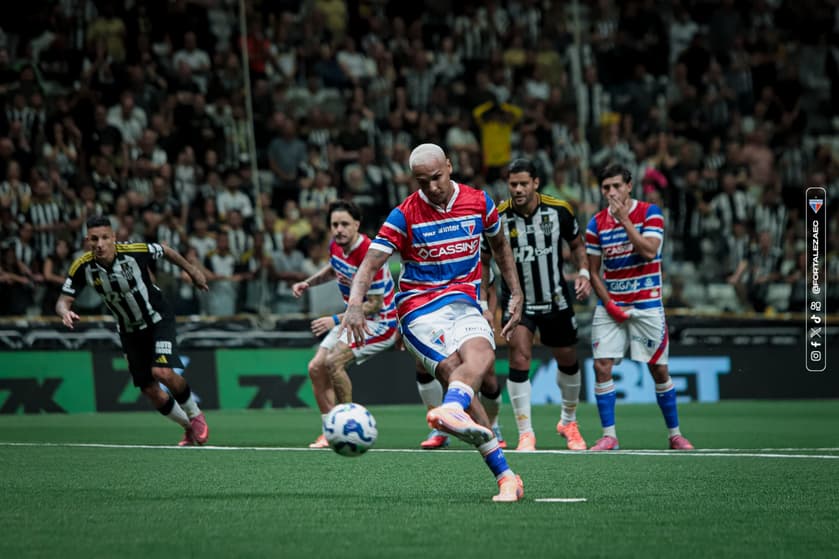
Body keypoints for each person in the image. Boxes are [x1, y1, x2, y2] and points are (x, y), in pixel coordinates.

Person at [342, 143, 525, 502]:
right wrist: (354, 303)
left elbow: (501, 246)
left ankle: (453, 408)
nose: (432, 187)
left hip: (466, 302)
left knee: (482, 357)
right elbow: (371, 262)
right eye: (423, 182)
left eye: (437, 177)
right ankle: (505, 477)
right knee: (454, 371)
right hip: (419, 309)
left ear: (450, 167)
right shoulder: (404, 215)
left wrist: (515, 292)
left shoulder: (479, 202)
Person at [56, 216, 211, 446]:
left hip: (157, 318)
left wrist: (193, 271)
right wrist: (64, 312)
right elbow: (62, 300)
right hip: (129, 331)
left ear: (114, 238)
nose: (100, 244)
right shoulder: (82, 267)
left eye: (105, 238)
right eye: (94, 239)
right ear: (87, 240)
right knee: (150, 390)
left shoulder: (135, 251)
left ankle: (195, 415)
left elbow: (166, 250)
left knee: (162, 372)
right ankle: (187, 428)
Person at [585, 163, 694, 451]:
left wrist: (624, 221)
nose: (611, 192)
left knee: (659, 369)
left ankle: (674, 434)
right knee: (601, 365)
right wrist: (608, 304)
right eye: (606, 187)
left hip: (647, 303)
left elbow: (649, 251)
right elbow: (594, 271)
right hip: (612, 305)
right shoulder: (596, 223)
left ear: (629, 186)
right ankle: (609, 435)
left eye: (617, 186)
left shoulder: (650, 213)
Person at [492, 158, 591, 451]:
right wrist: (487, 302)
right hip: (518, 304)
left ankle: (568, 422)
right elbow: (485, 259)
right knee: (519, 359)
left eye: (524, 183)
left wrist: (584, 272)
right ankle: (526, 433)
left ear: (536, 183)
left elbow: (577, 245)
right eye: (513, 184)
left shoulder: (558, 210)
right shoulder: (497, 216)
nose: (518, 189)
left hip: (556, 299)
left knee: (568, 359)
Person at [292, 200, 398, 448]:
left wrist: (335, 320)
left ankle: (348, 428)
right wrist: (309, 282)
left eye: (344, 224)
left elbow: (374, 303)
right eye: (334, 224)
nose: (338, 229)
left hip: (380, 323)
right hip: (353, 319)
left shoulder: (370, 253)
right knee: (316, 367)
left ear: (357, 225)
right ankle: (331, 431)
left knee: (333, 362)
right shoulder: (336, 245)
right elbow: (334, 269)